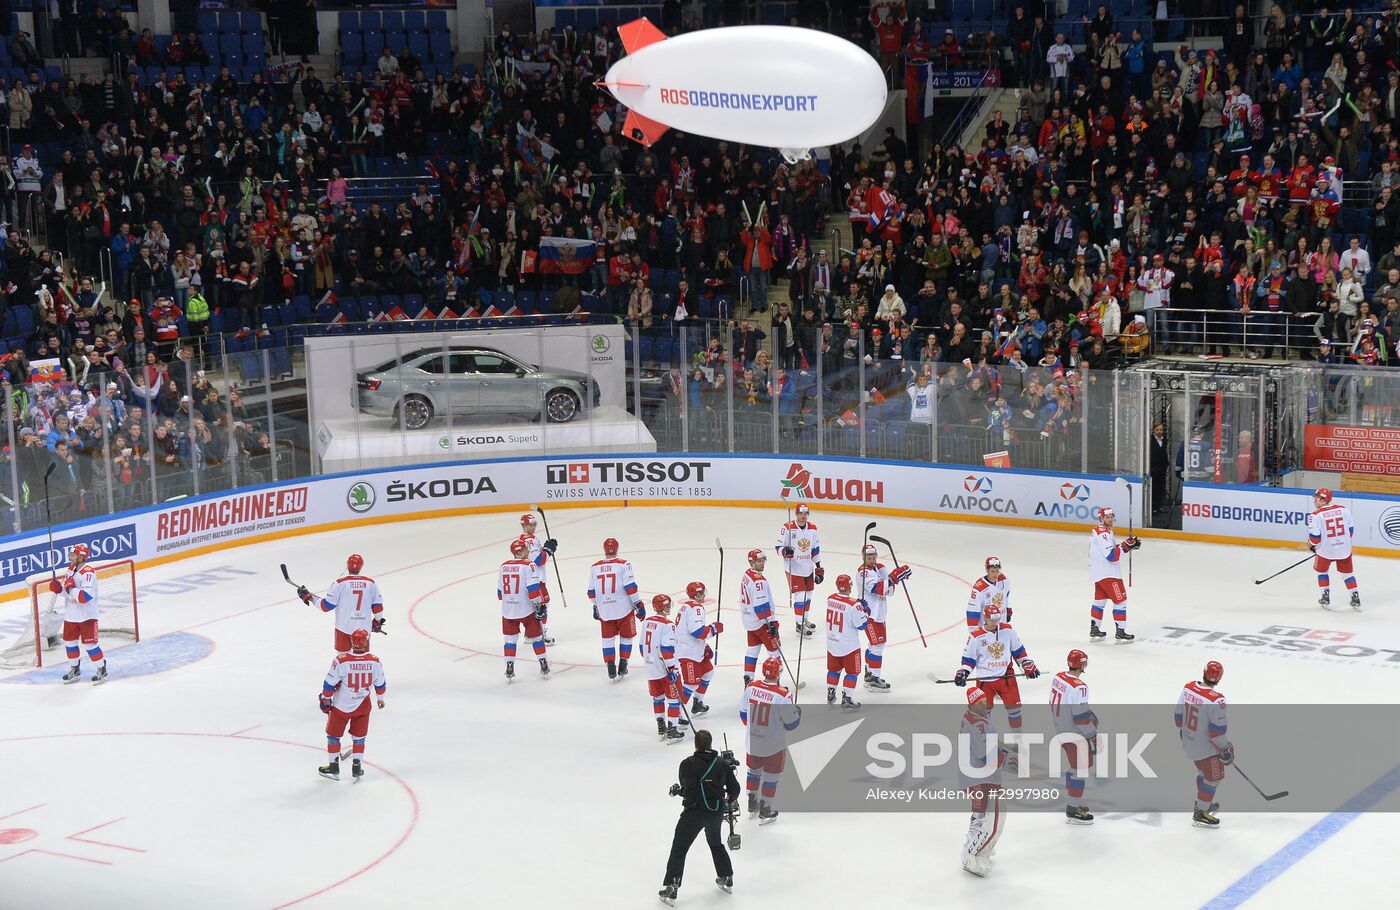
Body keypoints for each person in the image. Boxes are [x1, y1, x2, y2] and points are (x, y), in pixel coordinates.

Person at [659, 729, 740, 905]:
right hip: (715, 812)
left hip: (693, 814)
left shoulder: (687, 764)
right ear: (710, 744)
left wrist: (679, 791)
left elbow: (688, 789)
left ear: (695, 744)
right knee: (715, 843)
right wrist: (728, 800)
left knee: (679, 848)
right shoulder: (722, 764)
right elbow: (735, 790)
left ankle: (672, 886)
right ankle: (726, 876)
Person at [955, 601, 1038, 729]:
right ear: (985, 618)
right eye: (992, 620)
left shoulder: (1008, 630)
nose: (994, 623)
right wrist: (963, 672)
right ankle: (988, 738)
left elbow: (1019, 651)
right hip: (985, 680)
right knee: (983, 715)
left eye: (997, 619)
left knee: (1014, 710)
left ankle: (1018, 740)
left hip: (1005, 677)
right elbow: (969, 660)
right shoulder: (975, 637)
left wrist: (1027, 664)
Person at [317, 628, 387, 782]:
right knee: (359, 736)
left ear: (351, 642)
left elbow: (329, 684)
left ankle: (333, 767)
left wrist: (326, 698)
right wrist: (380, 698)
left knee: (333, 735)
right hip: (363, 705)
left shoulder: (341, 660)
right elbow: (380, 683)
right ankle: (357, 767)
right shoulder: (374, 661)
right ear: (366, 642)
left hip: (342, 706)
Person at [960, 685, 1014, 876]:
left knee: (981, 816)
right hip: (979, 777)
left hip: (979, 776)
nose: (984, 705)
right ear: (971, 704)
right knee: (982, 819)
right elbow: (985, 756)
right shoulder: (977, 723)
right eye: (979, 703)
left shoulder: (975, 718)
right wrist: (1005, 757)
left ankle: (980, 849)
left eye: (984, 701)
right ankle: (969, 856)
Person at [740, 656, 800, 824]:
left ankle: (752, 804)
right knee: (771, 777)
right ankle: (765, 810)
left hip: (753, 740)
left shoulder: (750, 687)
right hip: (773, 744)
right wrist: (797, 713)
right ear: (779, 673)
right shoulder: (783, 695)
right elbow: (792, 724)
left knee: (753, 772)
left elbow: (743, 715)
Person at [1175, 660, 1231, 829]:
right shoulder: (1217, 700)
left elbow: (1178, 715)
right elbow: (1216, 732)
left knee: (1202, 772)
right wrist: (1226, 749)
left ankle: (1203, 803)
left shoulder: (1189, 687)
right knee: (1214, 778)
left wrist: (1184, 734)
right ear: (1219, 679)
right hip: (1206, 748)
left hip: (1189, 740)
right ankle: (1201, 813)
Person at [298, 554, 384, 652]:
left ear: (347, 565)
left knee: (342, 660)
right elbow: (378, 607)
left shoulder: (339, 583)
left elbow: (325, 606)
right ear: (361, 566)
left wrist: (310, 598)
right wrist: (377, 621)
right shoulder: (371, 583)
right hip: (363, 630)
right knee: (362, 660)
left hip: (343, 628)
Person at [855, 543, 911, 692]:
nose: (872, 560)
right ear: (863, 557)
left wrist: (896, 577)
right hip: (870, 614)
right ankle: (874, 679)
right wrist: (895, 577)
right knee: (878, 646)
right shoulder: (863, 573)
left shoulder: (879, 568)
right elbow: (877, 589)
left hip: (879, 614)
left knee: (874, 645)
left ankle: (869, 673)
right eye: (868, 557)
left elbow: (889, 591)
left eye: (873, 557)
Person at [1049, 649, 1096, 825]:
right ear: (1083, 664)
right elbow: (1081, 718)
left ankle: (1073, 802)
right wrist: (1093, 735)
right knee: (1080, 769)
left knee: (1074, 767)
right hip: (1074, 733)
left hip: (1060, 728)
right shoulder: (1080, 687)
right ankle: (1073, 810)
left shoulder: (1058, 677)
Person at [48, 544, 106, 684]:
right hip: (71, 615)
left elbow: (85, 597)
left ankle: (102, 670)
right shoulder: (70, 569)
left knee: (89, 645)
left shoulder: (88, 573)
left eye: (73, 555)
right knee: (69, 643)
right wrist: (59, 589)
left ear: (81, 557)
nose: (70, 557)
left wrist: (69, 588)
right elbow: (68, 592)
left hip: (87, 616)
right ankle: (75, 669)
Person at [587, 536, 643, 680]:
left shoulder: (595, 567)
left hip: (605, 610)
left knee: (607, 639)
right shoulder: (624, 564)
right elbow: (630, 587)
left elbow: (591, 592)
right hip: (624, 609)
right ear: (617, 549)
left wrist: (596, 605)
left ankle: (610, 665)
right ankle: (623, 664)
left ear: (604, 550)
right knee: (627, 637)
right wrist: (638, 604)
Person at [498, 539, 549, 682]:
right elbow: (533, 591)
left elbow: (500, 594)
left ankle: (509, 665)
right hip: (527, 610)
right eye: (526, 549)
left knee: (510, 640)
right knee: (536, 638)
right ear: (519, 553)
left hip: (508, 611)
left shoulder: (504, 566)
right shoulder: (529, 566)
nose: (528, 551)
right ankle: (543, 663)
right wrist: (539, 606)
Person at [1088, 507, 1139, 642]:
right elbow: (1111, 556)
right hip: (1109, 574)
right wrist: (1126, 546)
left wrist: (1128, 545)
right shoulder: (1103, 534)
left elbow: (1112, 550)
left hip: (1098, 574)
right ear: (1101, 518)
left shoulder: (1101, 531)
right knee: (1121, 601)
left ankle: (1095, 630)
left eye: (1111, 516)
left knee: (1099, 601)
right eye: (1107, 517)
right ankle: (1120, 633)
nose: (1110, 519)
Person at [641, 593, 685, 743]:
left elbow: (642, 647)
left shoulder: (646, 622)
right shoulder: (668, 625)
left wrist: (649, 661)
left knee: (657, 698)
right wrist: (672, 668)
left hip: (650, 667)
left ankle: (661, 727)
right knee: (673, 700)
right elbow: (667, 649)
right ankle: (672, 729)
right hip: (664, 669)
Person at [675, 581, 721, 720]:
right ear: (698, 593)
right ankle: (675, 714)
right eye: (702, 592)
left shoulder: (685, 607)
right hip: (688, 653)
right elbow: (697, 631)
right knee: (691, 683)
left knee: (708, 673)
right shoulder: (696, 608)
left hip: (694, 650)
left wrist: (704, 646)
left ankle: (698, 703)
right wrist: (713, 629)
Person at [1308, 488, 1360, 610]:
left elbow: (1315, 538)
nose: (1314, 500)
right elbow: (1350, 530)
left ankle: (1325, 597)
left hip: (1325, 551)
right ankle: (1355, 597)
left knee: (1322, 572)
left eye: (1316, 498)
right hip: (1344, 549)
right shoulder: (1343, 509)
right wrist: (1341, 543)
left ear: (1322, 499)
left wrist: (1312, 546)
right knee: (1347, 574)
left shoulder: (1315, 515)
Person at [775, 502, 822, 638]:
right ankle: (798, 624)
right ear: (796, 514)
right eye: (800, 513)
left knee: (809, 595)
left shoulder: (813, 528)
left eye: (805, 513)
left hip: (808, 567)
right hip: (793, 568)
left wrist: (818, 567)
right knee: (800, 596)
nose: (803, 516)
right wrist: (785, 551)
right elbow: (778, 547)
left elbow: (815, 549)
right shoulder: (787, 528)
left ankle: (804, 618)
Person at [738, 548, 779, 685]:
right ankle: (775, 682)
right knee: (775, 651)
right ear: (752, 562)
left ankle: (748, 679)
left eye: (763, 560)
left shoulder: (747, 574)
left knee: (752, 650)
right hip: (762, 623)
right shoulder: (758, 581)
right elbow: (761, 607)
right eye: (758, 561)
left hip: (749, 621)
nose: (762, 563)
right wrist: (771, 624)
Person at [824, 574, 866, 709]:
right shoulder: (854, 604)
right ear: (850, 586)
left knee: (833, 670)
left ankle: (831, 692)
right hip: (849, 646)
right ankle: (847, 698)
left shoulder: (830, 599)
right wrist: (865, 611)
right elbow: (862, 625)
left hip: (832, 643)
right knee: (852, 672)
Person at [518, 513, 558, 645]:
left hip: (535, 577)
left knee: (536, 606)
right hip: (536, 578)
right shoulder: (528, 541)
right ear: (524, 526)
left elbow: (541, 557)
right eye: (530, 525)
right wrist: (548, 550)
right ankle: (541, 634)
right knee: (543, 605)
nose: (533, 527)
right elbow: (538, 560)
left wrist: (547, 550)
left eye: (535, 524)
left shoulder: (531, 539)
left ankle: (530, 634)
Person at [965, 555, 1011, 627]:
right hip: (986, 628)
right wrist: (973, 630)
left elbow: (1005, 597)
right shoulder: (979, 588)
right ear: (987, 570)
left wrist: (1007, 610)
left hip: (1001, 623)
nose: (995, 574)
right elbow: (972, 610)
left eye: (997, 571)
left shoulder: (1004, 580)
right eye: (992, 571)